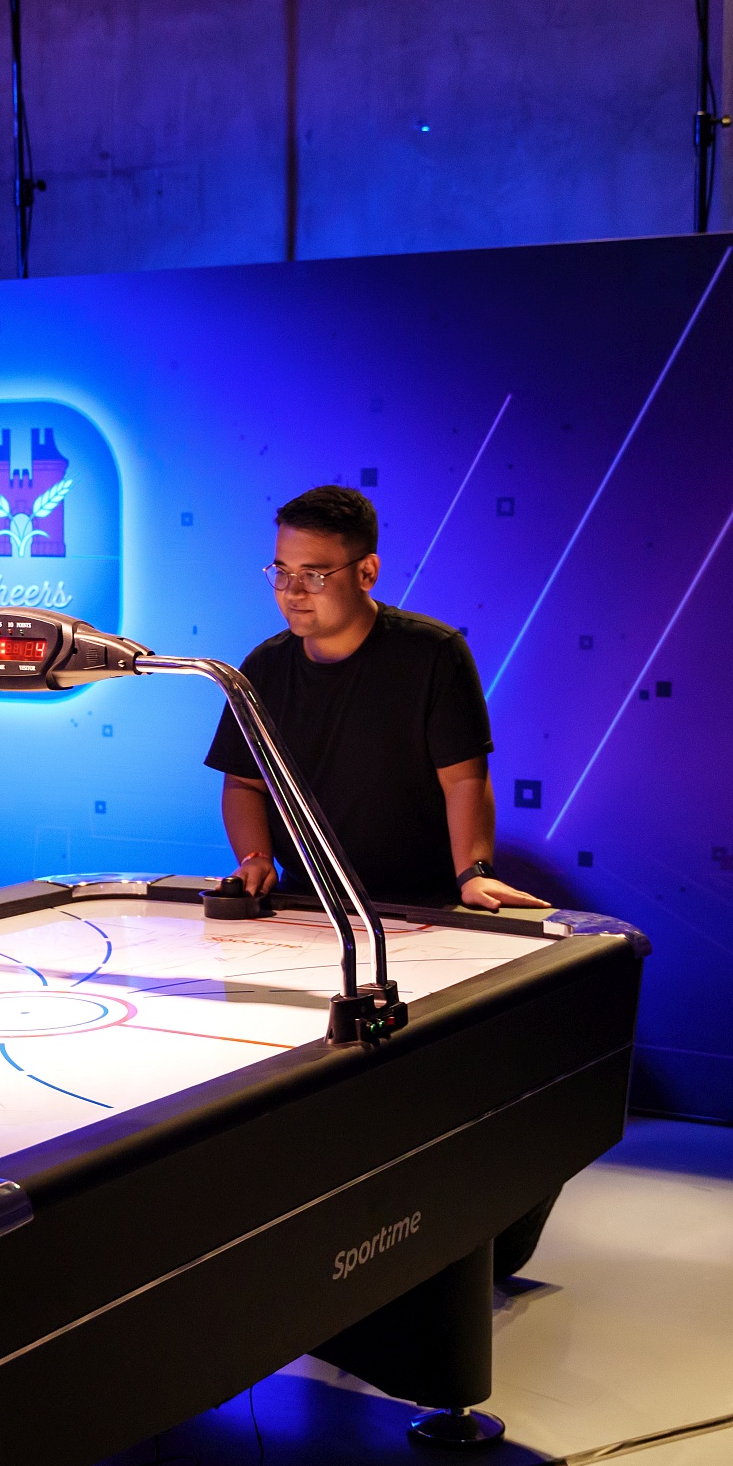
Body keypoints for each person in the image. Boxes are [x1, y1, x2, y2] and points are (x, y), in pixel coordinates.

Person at [204, 483, 564, 1278]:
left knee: (451, 1084)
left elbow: (464, 779)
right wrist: (256, 859)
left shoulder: (431, 654)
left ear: (366, 571)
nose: (293, 590)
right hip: (311, 912)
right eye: (281, 570)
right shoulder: (261, 668)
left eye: (315, 573)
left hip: (424, 908)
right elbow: (243, 783)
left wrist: (473, 871)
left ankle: (492, 1232)